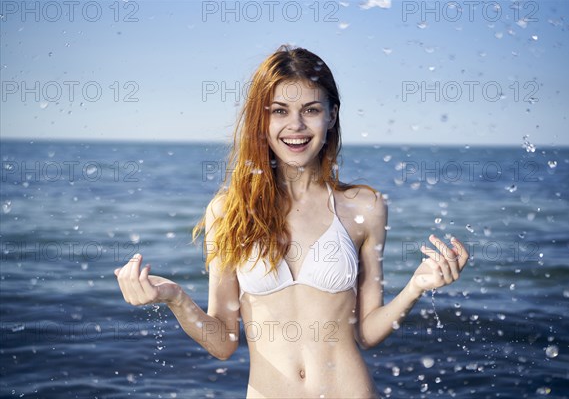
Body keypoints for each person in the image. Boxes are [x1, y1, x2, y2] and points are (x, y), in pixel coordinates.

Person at [114, 45, 469, 398]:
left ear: (331, 116)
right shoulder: (228, 211)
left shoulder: (365, 206)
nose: (296, 126)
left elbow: (367, 332)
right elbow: (223, 342)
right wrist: (175, 298)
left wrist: (416, 287)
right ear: (261, 119)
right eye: (279, 111)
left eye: (311, 110)